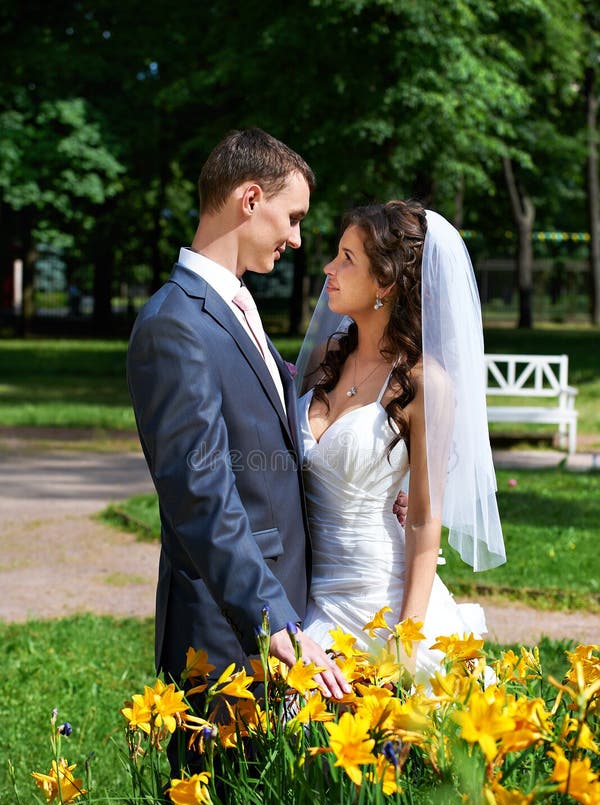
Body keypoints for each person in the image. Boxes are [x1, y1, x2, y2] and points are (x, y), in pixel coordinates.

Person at [127, 128, 351, 707]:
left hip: (286, 605)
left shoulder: (237, 306)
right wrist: (271, 620)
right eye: (293, 217)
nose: (298, 240)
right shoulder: (174, 324)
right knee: (226, 797)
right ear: (250, 199)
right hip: (227, 626)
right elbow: (199, 491)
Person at [295, 200, 506, 685]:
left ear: (385, 283)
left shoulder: (424, 383)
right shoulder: (326, 357)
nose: (329, 268)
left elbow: (425, 516)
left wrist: (406, 636)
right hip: (309, 593)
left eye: (347, 258)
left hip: (381, 595)